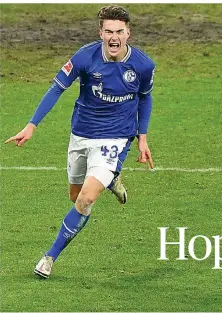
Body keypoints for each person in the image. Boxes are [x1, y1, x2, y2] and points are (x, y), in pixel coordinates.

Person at [4, 5, 155, 279]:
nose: (114, 37)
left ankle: (49, 258)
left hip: (116, 138)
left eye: (119, 31)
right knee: (75, 197)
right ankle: (112, 179)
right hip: (81, 136)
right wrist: (31, 125)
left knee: (86, 198)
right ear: (101, 33)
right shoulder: (85, 57)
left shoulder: (144, 66)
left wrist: (142, 138)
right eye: (108, 31)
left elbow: (145, 97)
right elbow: (57, 88)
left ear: (128, 33)